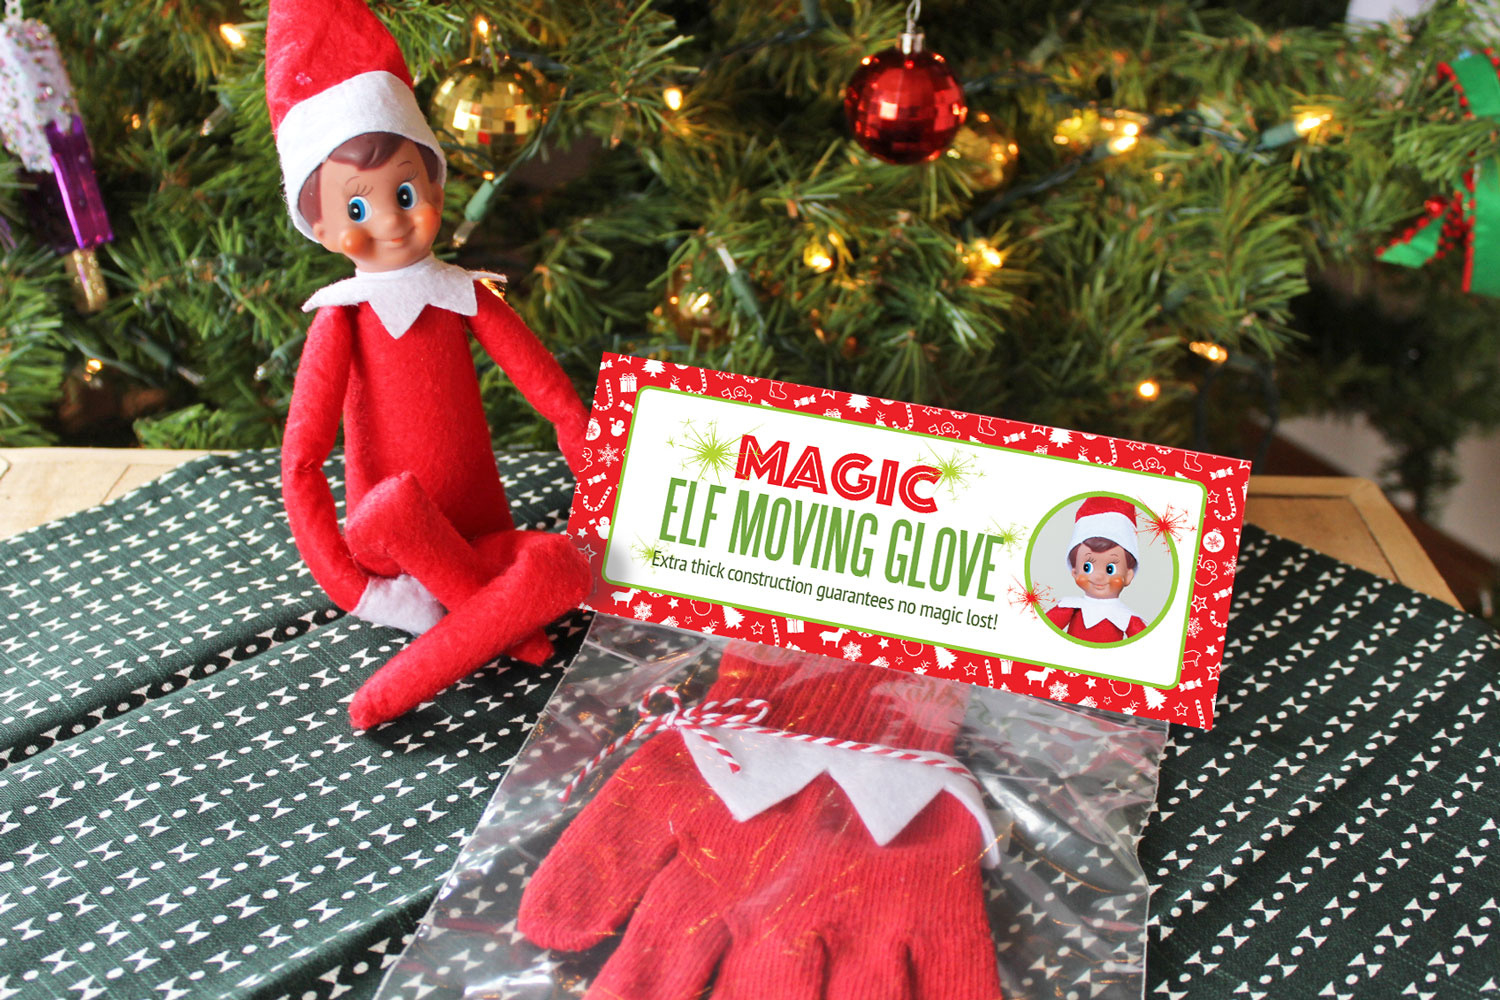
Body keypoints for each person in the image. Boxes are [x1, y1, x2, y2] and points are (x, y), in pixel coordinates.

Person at [265, 0, 590, 729]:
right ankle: (497, 630)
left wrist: (600, 488)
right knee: (392, 508)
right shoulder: (342, 319)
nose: (389, 219)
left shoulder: (462, 297)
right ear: (320, 226)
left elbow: (556, 400)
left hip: (484, 532)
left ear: (436, 188)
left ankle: (465, 629)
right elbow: (302, 461)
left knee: (564, 564)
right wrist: (354, 588)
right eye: (357, 209)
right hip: (391, 550)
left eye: (406, 193)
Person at [1045, 496, 1147, 643]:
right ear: (1075, 572)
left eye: (1110, 569)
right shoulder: (1070, 607)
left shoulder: (1126, 617)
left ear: (1128, 575)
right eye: (1087, 567)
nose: (1099, 577)